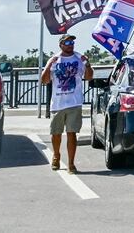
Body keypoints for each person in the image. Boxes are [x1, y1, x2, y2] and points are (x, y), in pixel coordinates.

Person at [40, 34, 93, 174]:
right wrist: (48, 66)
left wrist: (87, 64)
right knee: (56, 133)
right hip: (57, 103)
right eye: (67, 42)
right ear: (61, 44)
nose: (70, 44)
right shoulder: (55, 59)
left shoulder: (79, 58)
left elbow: (88, 77)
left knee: (72, 134)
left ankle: (71, 163)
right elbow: (44, 80)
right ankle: (56, 155)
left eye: (72, 42)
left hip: (74, 102)